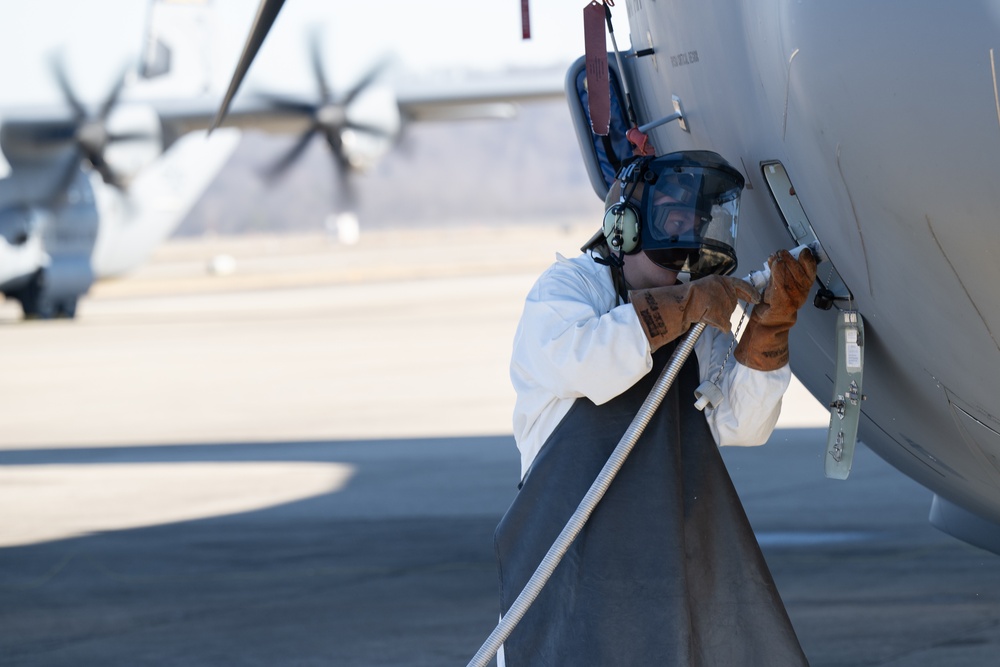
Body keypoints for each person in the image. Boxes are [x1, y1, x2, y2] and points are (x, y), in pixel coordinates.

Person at [495, 151, 817, 665]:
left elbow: (740, 423)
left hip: (660, 557)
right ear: (623, 229)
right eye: (671, 224)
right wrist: (685, 306)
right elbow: (586, 361)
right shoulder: (569, 290)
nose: (684, 249)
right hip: (566, 560)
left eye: (693, 227)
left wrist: (767, 333)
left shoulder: (692, 317)